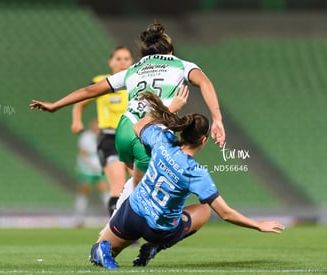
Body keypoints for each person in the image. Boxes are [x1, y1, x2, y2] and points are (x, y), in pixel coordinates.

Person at [88, 88, 285, 269]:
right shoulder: (196, 172)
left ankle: (101, 250)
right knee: (204, 209)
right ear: (204, 140)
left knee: (105, 248)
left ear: (182, 130)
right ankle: (155, 247)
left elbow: (139, 125)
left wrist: (168, 109)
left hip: (133, 212)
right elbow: (226, 213)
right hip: (158, 229)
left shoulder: (162, 140)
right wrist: (259, 225)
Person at [30, 22, 226, 190]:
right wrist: (217, 118)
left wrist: (56, 105)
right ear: (170, 52)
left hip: (124, 130)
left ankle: (122, 217)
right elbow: (205, 83)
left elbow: (89, 91)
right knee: (156, 194)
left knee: (136, 188)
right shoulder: (181, 64)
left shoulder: (133, 69)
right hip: (150, 135)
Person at [71, 46, 133, 216]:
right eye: (118, 59)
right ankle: (116, 231)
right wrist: (77, 120)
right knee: (118, 187)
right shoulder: (102, 81)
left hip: (133, 139)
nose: (122, 62)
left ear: (132, 62)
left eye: (126, 58)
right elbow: (80, 102)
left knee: (141, 186)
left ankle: (135, 226)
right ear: (111, 62)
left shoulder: (137, 82)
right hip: (110, 139)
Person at [74, 119, 109, 226]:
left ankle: (111, 216)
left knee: (104, 188)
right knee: (84, 190)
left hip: (100, 168)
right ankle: (79, 217)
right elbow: (83, 153)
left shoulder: (104, 137)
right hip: (87, 168)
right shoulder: (86, 137)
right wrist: (91, 163)